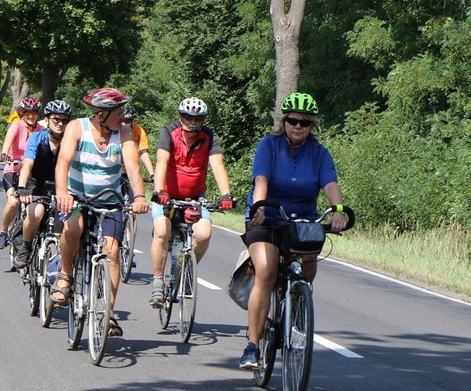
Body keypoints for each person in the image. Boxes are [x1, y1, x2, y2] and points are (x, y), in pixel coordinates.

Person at [238, 92, 348, 370]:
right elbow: (261, 178)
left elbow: (330, 184)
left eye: (305, 122)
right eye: (293, 121)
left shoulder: (320, 153)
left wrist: (338, 211)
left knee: (309, 262)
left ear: (312, 126)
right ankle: (252, 346)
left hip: (302, 221)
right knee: (266, 270)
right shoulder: (269, 145)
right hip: (269, 219)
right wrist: (260, 207)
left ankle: (298, 303)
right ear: (283, 121)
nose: (298, 126)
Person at [52, 87, 149, 338]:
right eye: (117, 111)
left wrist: (139, 197)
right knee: (73, 229)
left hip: (111, 201)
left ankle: (109, 312)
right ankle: (65, 274)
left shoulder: (126, 133)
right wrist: (62, 193)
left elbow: (133, 169)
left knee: (112, 253)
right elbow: (63, 162)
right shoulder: (76, 127)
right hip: (76, 197)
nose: (122, 115)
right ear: (100, 114)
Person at [148, 97, 234, 308]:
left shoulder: (210, 136)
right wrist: (159, 191)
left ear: (203, 120)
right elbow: (161, 162)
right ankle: (158, 283)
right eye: (188, 117)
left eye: (197, 118)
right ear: (180, 117)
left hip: (195, 197)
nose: (192, 121)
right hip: (167, 194)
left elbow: (218, 166)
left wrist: (226, 195)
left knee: (204, 233)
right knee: (161, 232)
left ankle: (186, 269)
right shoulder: (169, 132)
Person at [13, 100, 72, 266]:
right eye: (56, 119)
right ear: (47, 120)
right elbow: (28, 163)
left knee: (68, 222)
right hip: (36, 183)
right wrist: (22, 188)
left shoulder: (71, 141)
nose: (60, 123)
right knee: (36, 212)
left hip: (61, 186)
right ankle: (26, 247)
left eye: (64, 120)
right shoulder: (37, 138)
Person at [0, 97, 43, 249]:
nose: (31, 115)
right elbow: (9, 139)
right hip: (13, 169)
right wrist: (4, 153)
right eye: (27, 112)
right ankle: (3, 232)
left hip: (31, 173)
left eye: (34, 112)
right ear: (22, 113)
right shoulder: (17, 126)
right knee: (13, 202)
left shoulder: (41, 130)